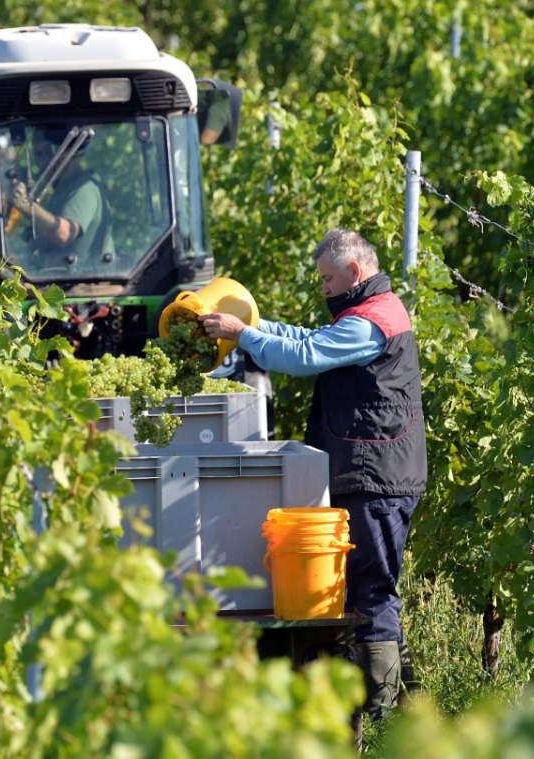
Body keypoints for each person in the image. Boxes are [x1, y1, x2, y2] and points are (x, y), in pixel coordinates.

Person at [200, 229, 427, 719]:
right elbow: (308, 339)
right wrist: (252, 324)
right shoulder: (362, 314)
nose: (323, 287)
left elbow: (305, 357)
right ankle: (400, 701)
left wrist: (244, 335)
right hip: (368, 470)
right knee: (363, 586)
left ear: (354, 272)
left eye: (327, 278)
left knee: (372, 588)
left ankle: (383, 711)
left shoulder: (375, 320)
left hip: (379, 475)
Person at [7, 128, 112, 262]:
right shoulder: (62, 191)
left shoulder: (84, 189)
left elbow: (64, 233)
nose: (42, 162)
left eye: (47, 152)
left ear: (65, 150)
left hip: (83, 280)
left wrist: (26, 206)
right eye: (38, 155)